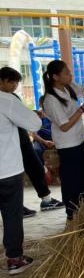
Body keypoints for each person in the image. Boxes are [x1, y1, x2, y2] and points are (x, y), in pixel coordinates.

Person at [0, 68, 64, 215]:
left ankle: (46, 200)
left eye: (16, 83)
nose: (14, 86)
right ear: (1, 81)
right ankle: (15, 207)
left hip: (22, 140)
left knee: (35, 167)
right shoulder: (6, 99)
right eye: (11, 82)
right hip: (8, 145)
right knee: (12, 176)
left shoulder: (13, 97)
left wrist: (32, 114)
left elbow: (19, 117)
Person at [42, 60, 84, 220]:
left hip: (79, 139)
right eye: (66, 73)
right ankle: (72, 213)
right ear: (55, 77)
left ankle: (81, 207)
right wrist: (82, 109)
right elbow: (64, 126)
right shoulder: (50, 99)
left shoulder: (68, 86)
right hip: (67, 144)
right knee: (72, 180)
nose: (70, 75)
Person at [0, 78, 41, 274]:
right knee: (12, 215)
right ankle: (15, 259)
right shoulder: (6, 100)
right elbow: (35, 123)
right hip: (7, 170)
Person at [32, 96, 54, 165]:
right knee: (37, 150)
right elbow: (34, 135)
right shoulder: (37, 115)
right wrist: (45, 142)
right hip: (40, 140)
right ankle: (42, 169)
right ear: (40, 105)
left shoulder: (55, 114)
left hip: (55, 139)